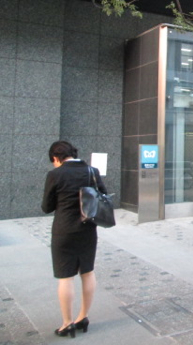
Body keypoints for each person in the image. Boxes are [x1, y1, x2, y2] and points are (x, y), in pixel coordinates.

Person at [41, 141, 107, 338]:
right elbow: (103, 195)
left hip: (64, 231)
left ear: (56, 157)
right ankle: (83, 317)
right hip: (87, 229)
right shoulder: (92, 171)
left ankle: (67, 323)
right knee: (87, 272)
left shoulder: (55, 174)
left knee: (66, 277)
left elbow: (46, 207)